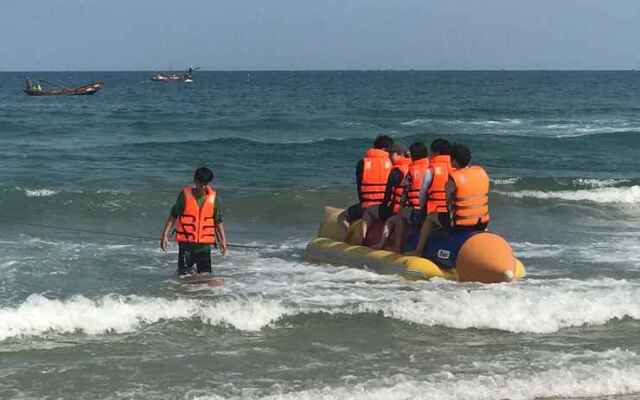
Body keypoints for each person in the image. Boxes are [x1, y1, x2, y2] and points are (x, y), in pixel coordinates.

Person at [409, 142, 488, 256]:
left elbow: (448, 202)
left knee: (430, 218)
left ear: (455, 161)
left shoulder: (454, 178)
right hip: (482, 223)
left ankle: (419, 250)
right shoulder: (481, 173)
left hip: (460, 224)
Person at [160, 167, 228, 276]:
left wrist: (223, 241)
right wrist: (164, 235)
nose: (203, 187)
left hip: (204, 247)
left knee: (205, 277)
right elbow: (173, 216)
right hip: (186, 245)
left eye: (206, 184)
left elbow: (218, 221)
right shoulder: (184, 196)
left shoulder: (213, 199)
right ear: (195, 180)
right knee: (183, 277)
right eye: (200, 183)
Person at [376, 141, 430, 251]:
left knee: (397, 218)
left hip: (417, 212)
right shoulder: (431, 168)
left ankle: (396, 247)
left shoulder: (411, 170)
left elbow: (405, 192)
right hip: (431, 211)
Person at [337, 135, 394, 229]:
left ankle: (349, 236)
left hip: (367, 206)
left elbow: (360, 188)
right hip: (386, 208)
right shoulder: (392, 163)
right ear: (385, 149)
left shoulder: (362, 163)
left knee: (341, 217)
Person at [361, 143, 411, 247]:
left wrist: (383, 207)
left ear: (399, 155)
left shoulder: (396, 171)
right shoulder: (411, 167)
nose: (389, 157)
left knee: (369, 210)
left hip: (394, 210)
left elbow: (388, 195)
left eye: (392, 154)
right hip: (408, 210)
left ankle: (362, 240)